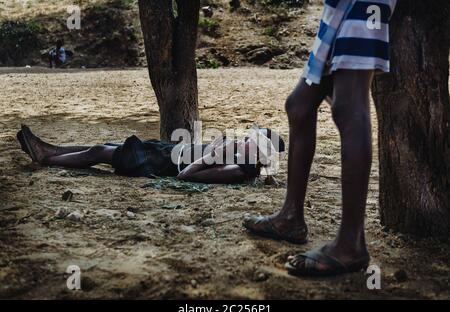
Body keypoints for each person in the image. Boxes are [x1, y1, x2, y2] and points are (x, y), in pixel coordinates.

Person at [244, 0, 398, 276]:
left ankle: (351, 243)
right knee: (299, 105)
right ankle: (290, 217)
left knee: (349, 106)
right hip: (341, 6)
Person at [17, 125, 285, 185]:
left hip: (157, 163)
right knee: (106, 146)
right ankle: (50, 149)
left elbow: (185, 176)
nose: (245, 139)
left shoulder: (237, 170)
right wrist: (216, 145)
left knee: (101, 152)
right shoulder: (236, 155)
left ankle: (46, 157)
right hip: (165, 150)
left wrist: (213, 154)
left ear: (256, 155)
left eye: (251, 141)